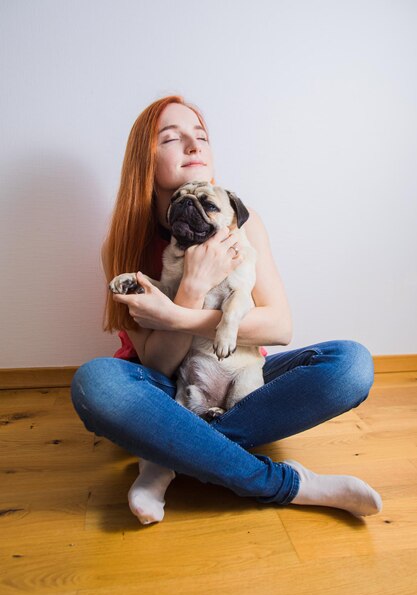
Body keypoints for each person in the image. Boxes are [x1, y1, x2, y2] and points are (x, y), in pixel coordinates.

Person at [70, 94, 382, 525]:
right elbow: (157, 363)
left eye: (201, 136)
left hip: (242, 374)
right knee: (96, 384)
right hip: (166, 387)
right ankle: (288, 483)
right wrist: (192, 286)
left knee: (350, 364)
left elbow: (279, 326)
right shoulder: (122, 247)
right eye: (172, 138)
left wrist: (179, 317)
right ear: (145, 159)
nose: (194, 146)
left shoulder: (245, 223)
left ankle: (165, 457)